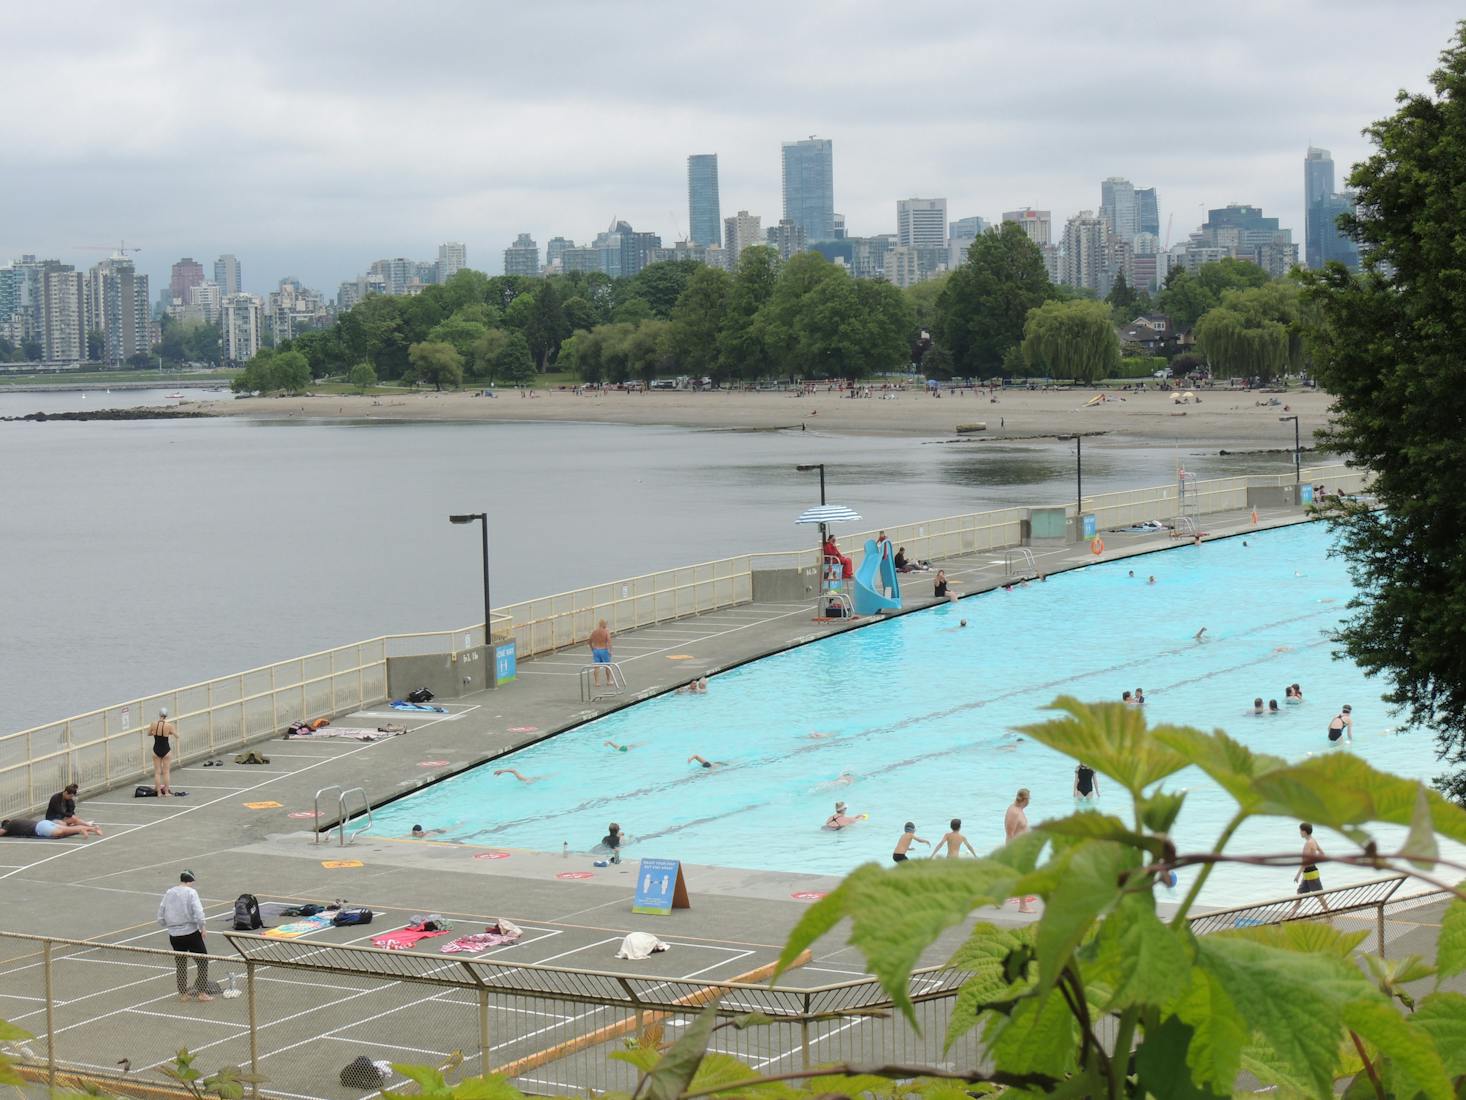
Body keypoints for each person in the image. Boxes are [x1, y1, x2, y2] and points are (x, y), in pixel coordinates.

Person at [158, 870, 211, 1002]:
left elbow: (161, 911)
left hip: (174, 934)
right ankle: (202, 992)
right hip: (191, 932)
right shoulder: (191, 893)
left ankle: (183, 993)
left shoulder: (169, 892)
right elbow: (198, 911)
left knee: (181, 963)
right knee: (202, 960)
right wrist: (202, 927)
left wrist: (167, 924)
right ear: (191, 881)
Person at [1004, 790, 1036, 913]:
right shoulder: (1014, 812)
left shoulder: (1018, 810)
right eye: (1029, 799)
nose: (1029, 802)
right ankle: (1023, 906)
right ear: (1025, 800)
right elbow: (1010, 833)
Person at [1289, 823, 1330, 916]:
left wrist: (1297, 875)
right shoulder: (1313, 840)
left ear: (1304, 831)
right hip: (1308, 873)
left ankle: (1329, 914)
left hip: (1311, 873)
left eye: (1300, 831)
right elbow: (1322, 853)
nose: (1299, 833)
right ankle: (1292, 914)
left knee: (1319, 896)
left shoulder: (1308, 843)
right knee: (1300, 893)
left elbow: (1305, 861)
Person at [147, 708, 178, 796]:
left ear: (159, 714)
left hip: (156, 749)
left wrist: (155, 733)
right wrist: (170, 733)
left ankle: (159, 793)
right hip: (166, 750)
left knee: (157, 772)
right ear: (166, 715)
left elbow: (148, 733)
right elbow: (177, 735)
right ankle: (167, 792)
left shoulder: (153, 724)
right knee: (166, 772)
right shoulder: (169, 725)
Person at [0, 817, 100, 838]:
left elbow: (1, 832)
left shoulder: (10, 824)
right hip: (44, 823)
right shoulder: (18, 820)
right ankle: (92, 829)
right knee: (66, 829)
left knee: (60, 833)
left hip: (40, 829)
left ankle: (80, 829)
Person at [588, 620, 614, 687]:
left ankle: (597, 682)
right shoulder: (606, 632)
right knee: (607, 666)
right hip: (604, 650)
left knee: (596, 667)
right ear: (604, 625)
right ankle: (608, 681)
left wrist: (592, 648)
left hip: (596, 650)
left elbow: (589, 641)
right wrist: (610, 651)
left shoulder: (594, 632)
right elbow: (609, 641)